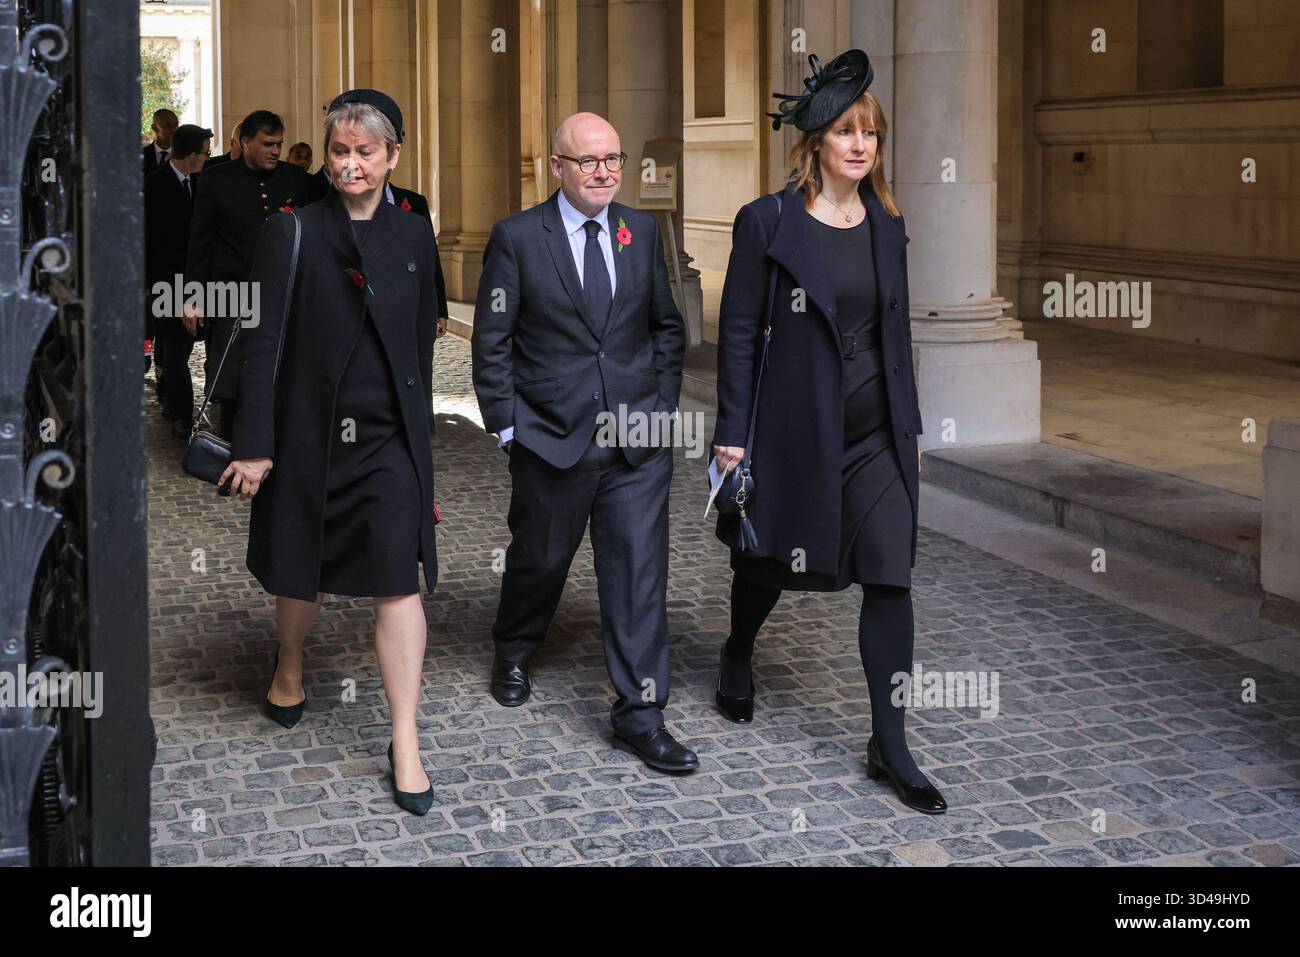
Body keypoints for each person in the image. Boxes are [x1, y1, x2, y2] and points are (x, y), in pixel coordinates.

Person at [710, 51, 945, 814]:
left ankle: (892, 743)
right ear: (815, 142)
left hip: (877, 432)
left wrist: (907, 422)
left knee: (889, 575)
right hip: (795, 429)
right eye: (845, 131)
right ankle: (738, 651)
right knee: (771, 562)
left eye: (870, 133)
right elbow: (741, 332)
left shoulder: (887, 222)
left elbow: (891, 328)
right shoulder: (768, 222)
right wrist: (732, 435)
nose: (860, 145)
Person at [220, 91, 444, 816]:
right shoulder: (291, 231)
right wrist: (255, 444)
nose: (351, 164)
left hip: (387, 439)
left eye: (366, 152)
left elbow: (420, 338)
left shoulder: (414, 234)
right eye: (340, 151)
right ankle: (290, 660)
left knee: (397, 579)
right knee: (300, 566)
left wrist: (421, 446)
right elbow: (262, 345)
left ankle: (404, 740)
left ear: (393, 157)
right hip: (309, 432)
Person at [471, 112, 694, 773]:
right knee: (540, 560)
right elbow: (492, 340)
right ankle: (513, 645)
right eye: (588, 160)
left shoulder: (641, 230)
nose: (603, 171)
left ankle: (641, 714)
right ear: (557, 166)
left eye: (613, 159)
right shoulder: (517, 238)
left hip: (636, 442)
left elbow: (665, 327)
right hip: (550, 438)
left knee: (637, 577)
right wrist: (510, 427)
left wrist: (659, 407)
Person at [183, 110, 313, 440]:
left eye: (279, 144)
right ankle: (229, 451)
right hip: (231, 292)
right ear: (245, 143)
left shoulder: (295, 179)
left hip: (284, 293)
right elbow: (201, 241)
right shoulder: (215, 178)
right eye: (267, 144)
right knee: (231, 377)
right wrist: (192, 297)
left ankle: (279, 449)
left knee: (285, 372)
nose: (275, 151)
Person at [145, 123, 212, 437]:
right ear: (191, 155)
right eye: (204, 152)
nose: (208, 157)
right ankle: (182, 417)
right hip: (166, 285)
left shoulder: (201, 183)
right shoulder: (153, 186)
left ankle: (176, 406)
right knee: (174, 353)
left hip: (199, 283)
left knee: (180, 351)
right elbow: (149, 243)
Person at [142, 109, 178, 176]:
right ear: (154, 127)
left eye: (176, 125)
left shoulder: (184, 155)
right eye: (168, 125)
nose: (173, 130)